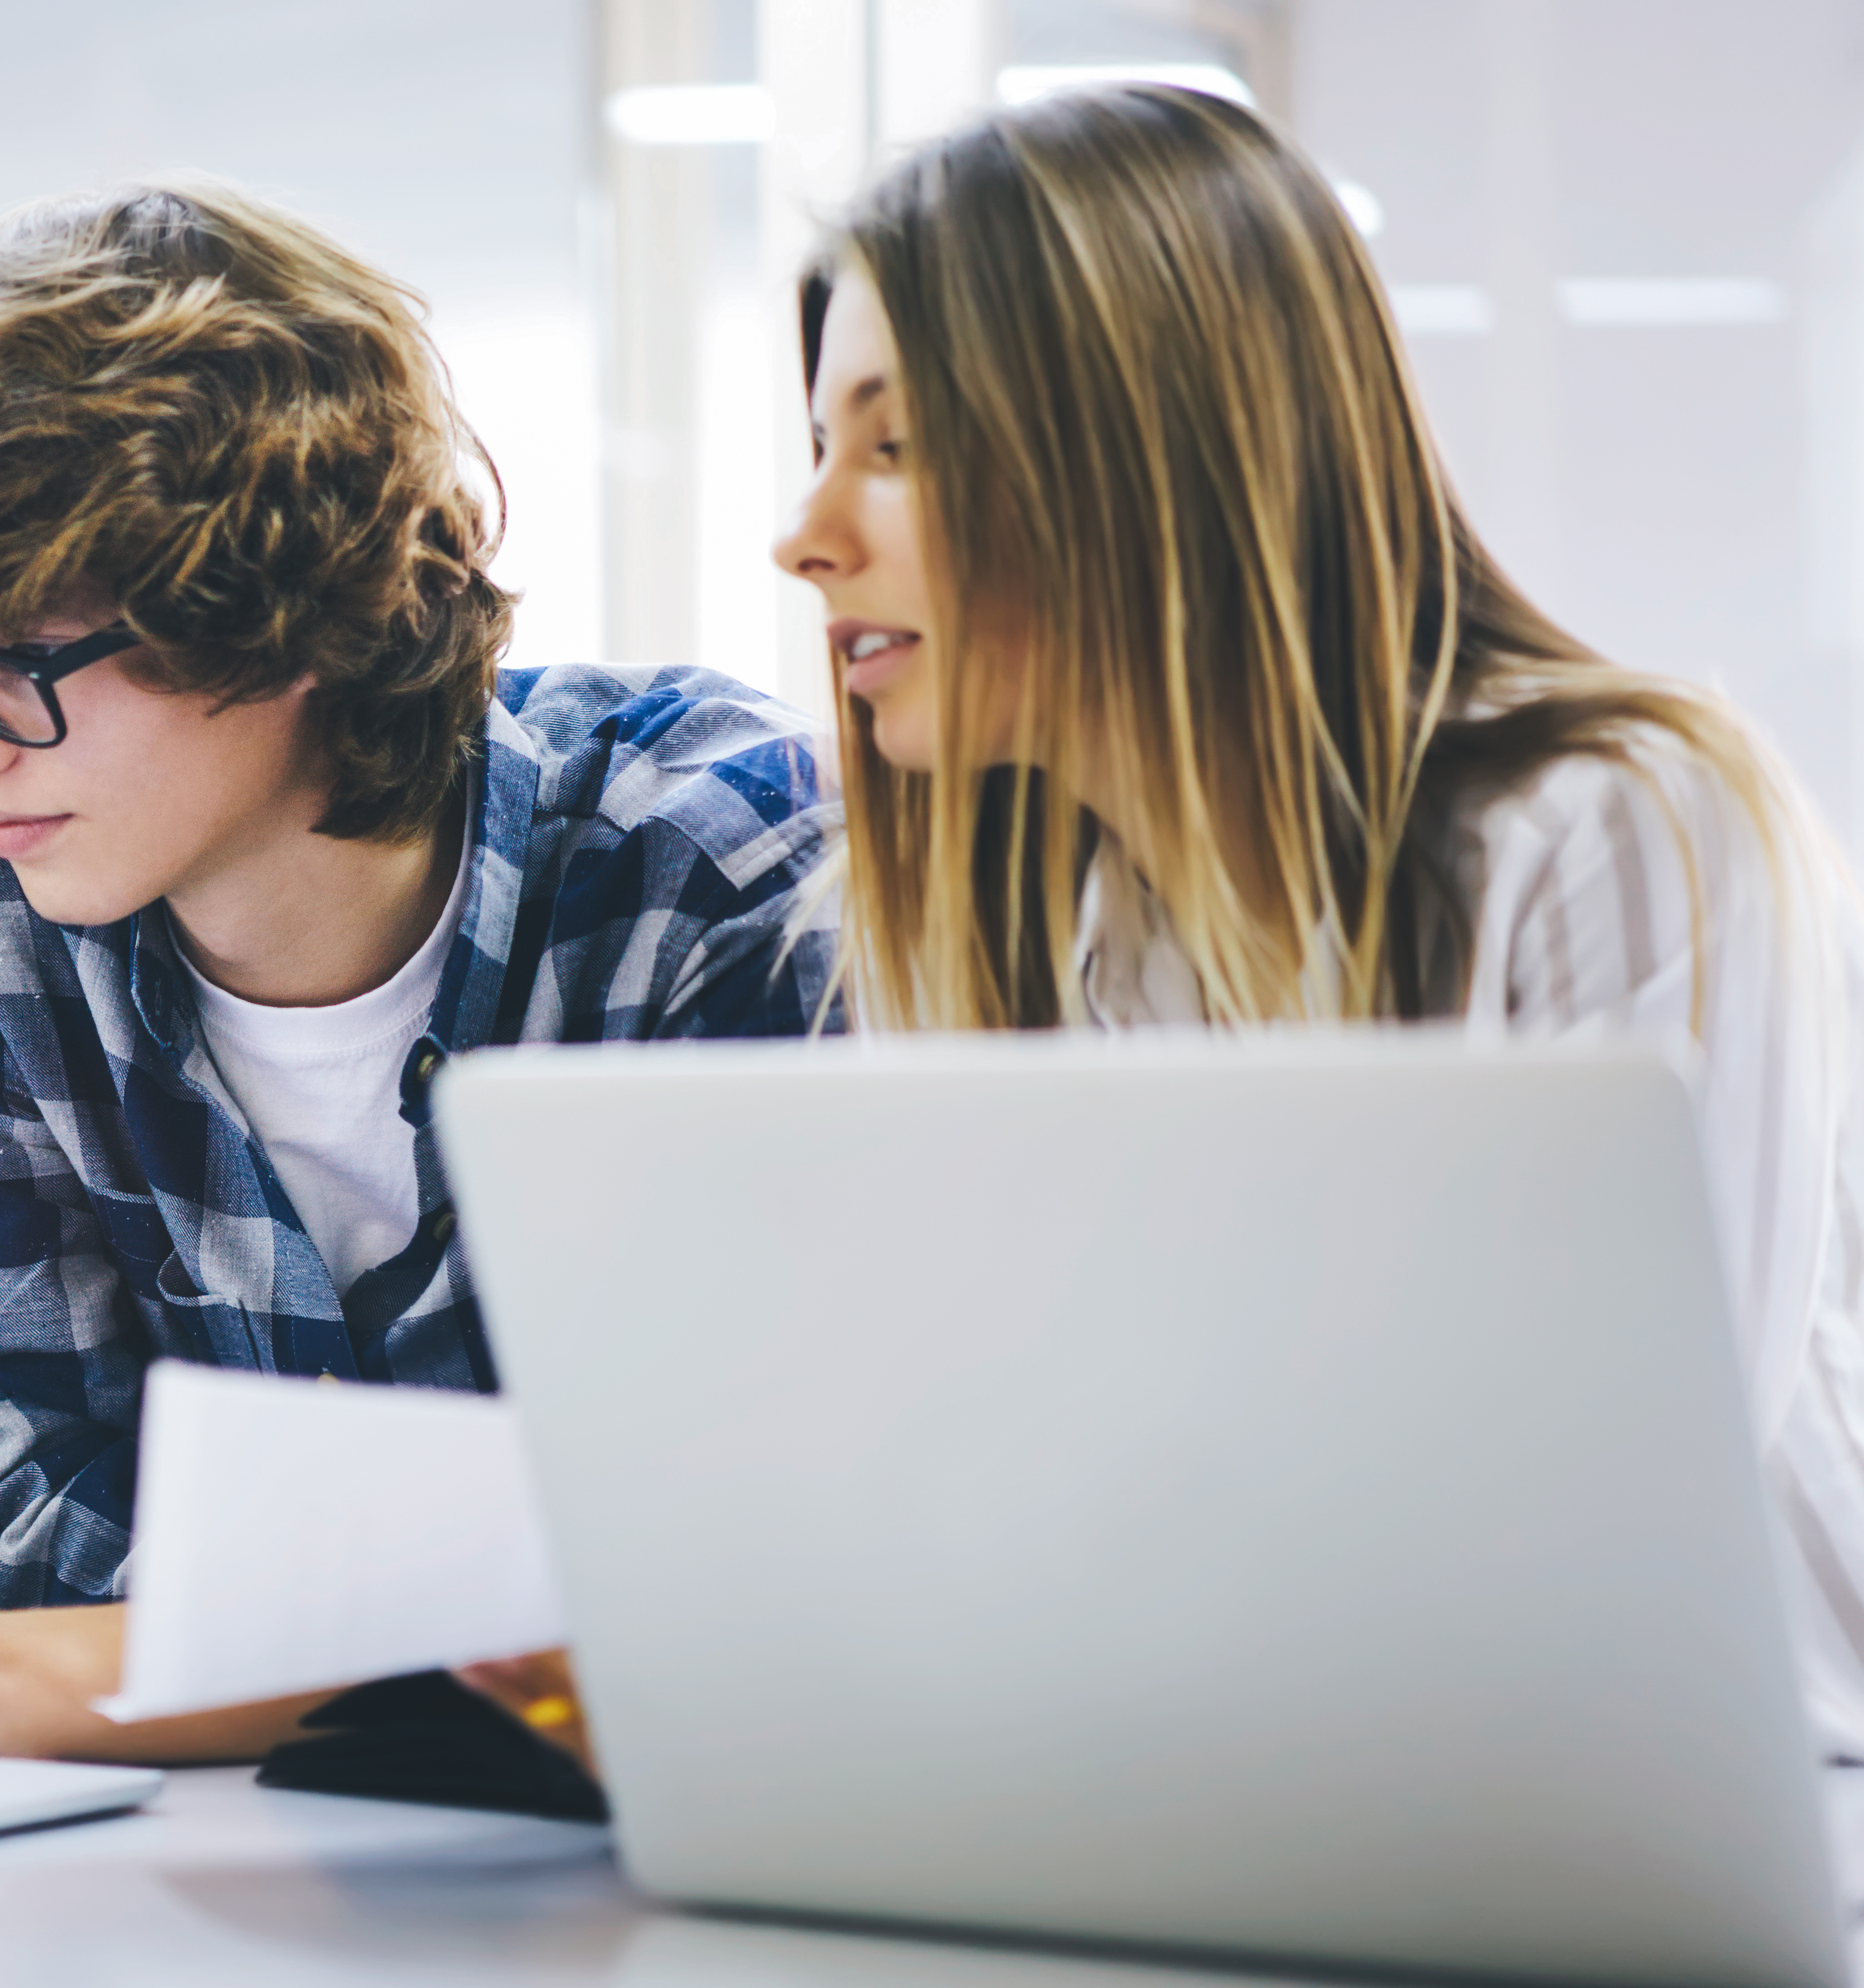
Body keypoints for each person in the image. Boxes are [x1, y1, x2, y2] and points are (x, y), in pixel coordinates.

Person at [0, 181, 835, 1765]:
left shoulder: (710, 862)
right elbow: (11, 1525)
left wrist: (119, 1667)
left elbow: (754, 1577)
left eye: (12, 662)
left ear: (286, 610)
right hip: (216, 1864)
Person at [765, 83, 1864, 1757]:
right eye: (820, 447)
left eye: (897, 449)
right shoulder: (1036, 925)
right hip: (1279, 1795)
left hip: (1726, 1808)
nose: (808, 537)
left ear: (1147, 451)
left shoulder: (1621, 825)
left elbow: (1600, 1530)